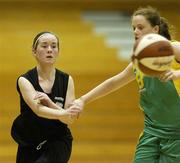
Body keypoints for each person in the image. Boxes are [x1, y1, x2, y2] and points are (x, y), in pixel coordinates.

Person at [70, 7, 180, 163]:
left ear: (155, 29)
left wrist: (176, 74)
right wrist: (83, 100)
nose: (135, 31)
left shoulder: (173, 48)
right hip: (152, 133)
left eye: (140, 27)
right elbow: (114, 82)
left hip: (177, 134)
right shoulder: (139, 61)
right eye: (133, 28)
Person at [11, 31, 81, 163]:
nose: (50, 50)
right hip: (29, 142)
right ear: (34, 51)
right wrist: (64, 113)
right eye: (44, 46)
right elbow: (39, 110)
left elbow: (69, 120)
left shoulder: (67, 80)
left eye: (54, 46)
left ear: (58, 51)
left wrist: (50, 103)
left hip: (57, 140)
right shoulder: (24, 80)